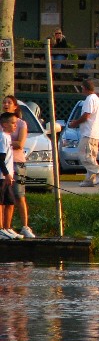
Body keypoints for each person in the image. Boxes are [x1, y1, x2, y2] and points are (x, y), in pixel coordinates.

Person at [2, 96, 34, 238]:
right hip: (3, 166)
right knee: (3, 198)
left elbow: (20, 144)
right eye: (4, 102)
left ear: (15, 106)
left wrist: (7, 144)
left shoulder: (21, 124)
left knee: (19, 195)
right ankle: (4, 227)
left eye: (9, 102)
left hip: (17, 162)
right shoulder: (3, 124)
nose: (6, 104)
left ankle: (25, 226)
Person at [69, 78, 99, 187]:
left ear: (84, 88)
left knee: (84, 156)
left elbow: (87, 115)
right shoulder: (97, 99)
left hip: (88, 133)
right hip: (95, 133)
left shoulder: (89, 99)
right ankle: (89, 180)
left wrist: (75, 123)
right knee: (91, 157)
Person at [0, 111, 23, 239]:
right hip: (2, 176)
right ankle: (1, 229)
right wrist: (6, 174)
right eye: (13, 123)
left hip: (8, 176)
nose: (15, 126)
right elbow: (0, 158)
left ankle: (7, 227)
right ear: (4, 124)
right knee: (1, 202)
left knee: (10, 202)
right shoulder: (2, 137)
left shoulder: (8, 137)